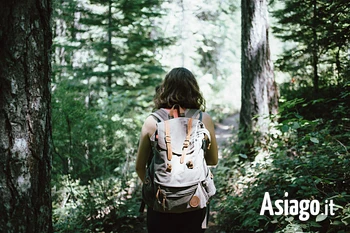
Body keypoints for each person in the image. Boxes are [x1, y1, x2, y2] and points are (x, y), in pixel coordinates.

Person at [136, 67, 218, 233]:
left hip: (160, 202)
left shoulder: (152, 121)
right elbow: (212, 160)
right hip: (194, 199)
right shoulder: (203, 119)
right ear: (193, 89)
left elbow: (139, 166)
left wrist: (156, 188)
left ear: (165, 89)